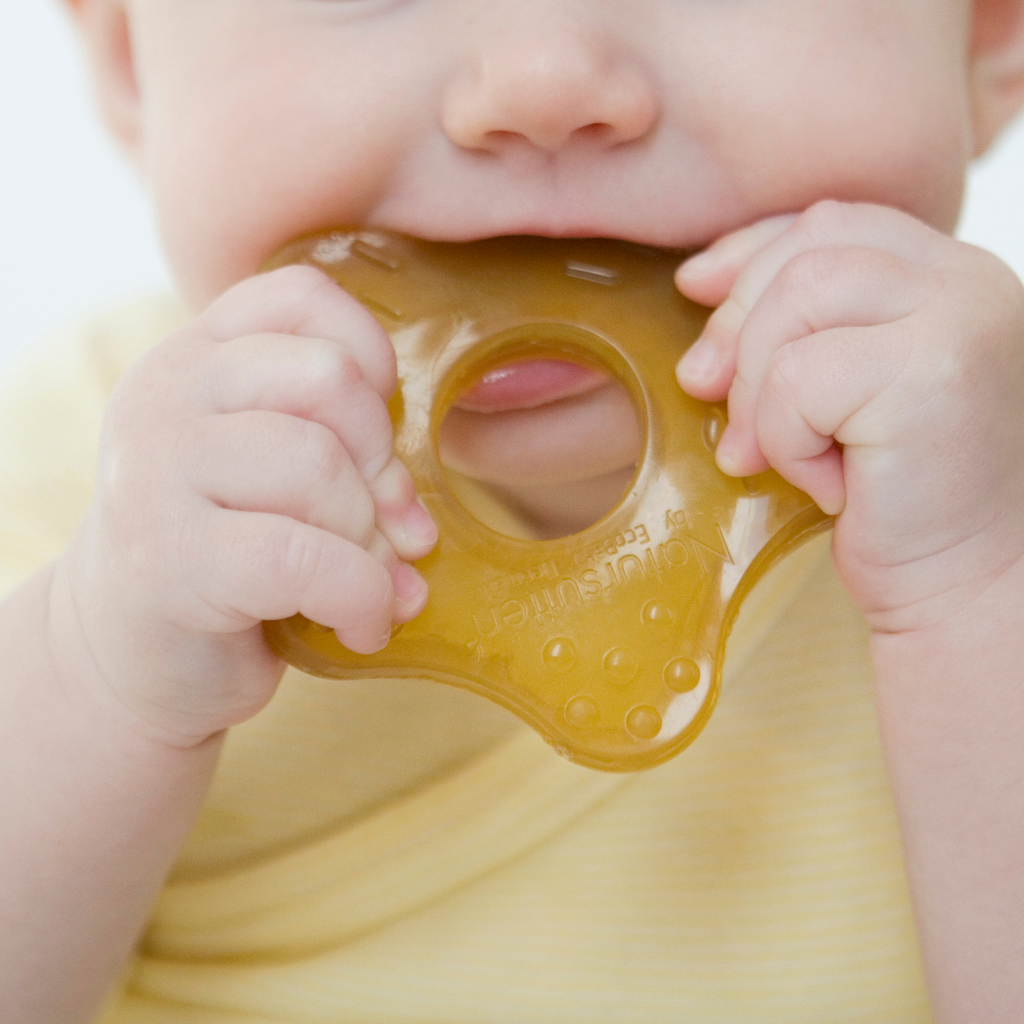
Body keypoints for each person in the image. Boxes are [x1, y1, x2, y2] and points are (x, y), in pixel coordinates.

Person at [3, 0, 1024, 1020]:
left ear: (986, 33)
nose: (540, 83)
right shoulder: (72, 489)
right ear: (133, 60)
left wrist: (979, 586)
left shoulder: (987, 484)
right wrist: (98, 669)